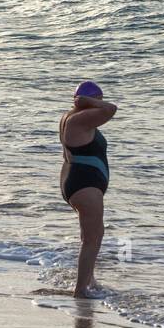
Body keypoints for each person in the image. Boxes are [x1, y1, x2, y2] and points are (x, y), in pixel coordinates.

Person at [59, 81, 117, 298]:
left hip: (79, 182)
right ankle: (80, 290)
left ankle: (88, 279)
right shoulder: (78, 118)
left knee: (94, 234)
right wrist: (90, 103)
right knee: (90, 239)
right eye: (97, 100)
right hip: (85, 184)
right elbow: (111, 109)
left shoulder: (69, 118)